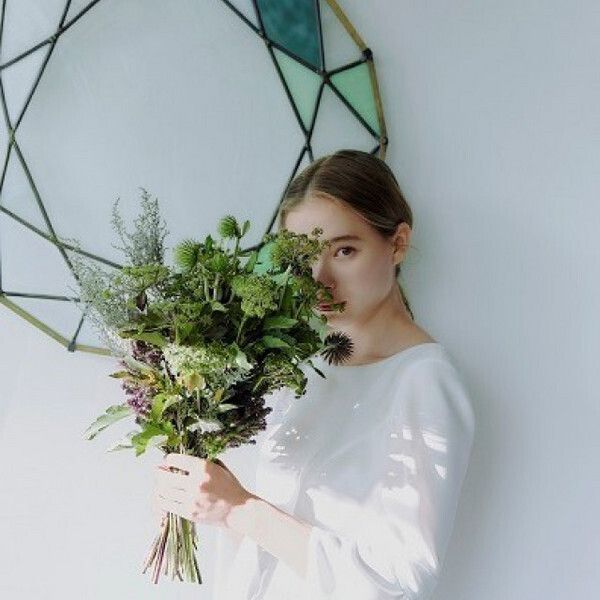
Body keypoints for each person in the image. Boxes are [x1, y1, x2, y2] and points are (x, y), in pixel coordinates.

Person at [154, 149, 476, 599]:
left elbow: (402, 582)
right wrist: (214, 500)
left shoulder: (424, 383)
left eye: (344, 250)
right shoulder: (302, 371)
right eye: (302, 257)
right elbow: (276, 546)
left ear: (398, 243)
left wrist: (240, 509)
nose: (320, 278)